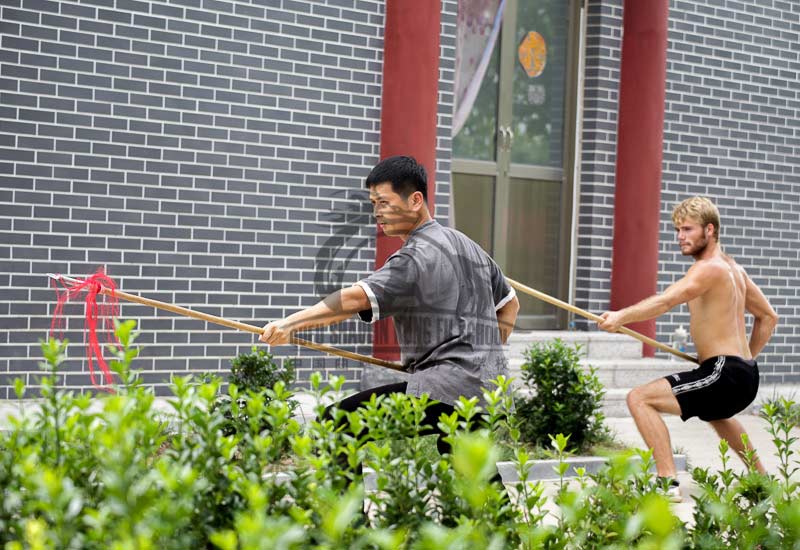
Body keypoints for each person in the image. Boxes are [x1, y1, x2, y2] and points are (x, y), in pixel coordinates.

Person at [260, 155, 520, 464]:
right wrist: (486, 356)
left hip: (447, 391)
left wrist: (290, 324)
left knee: (338, 424)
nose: (377, 214)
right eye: (373, 204)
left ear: (415, 200)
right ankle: (498, 514)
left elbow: (356, 298)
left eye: (383, 202)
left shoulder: (414, 258)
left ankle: (348, 515)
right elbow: (511, 306)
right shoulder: (466, 245)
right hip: (490, 393)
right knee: (467, 466)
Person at [597, 196, 778, 501]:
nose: (680, 236)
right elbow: (769, 317)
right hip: (741, 373)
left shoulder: (708, 269)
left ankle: (667, 482)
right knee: (717, 414)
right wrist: (744, 360)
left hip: (726, 371)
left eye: (687, 229)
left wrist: (621, 317)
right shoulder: (734, 269)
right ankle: (761, 479)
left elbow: (666, 300)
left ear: (710, 230)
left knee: (639, 398)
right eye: (677, 230)